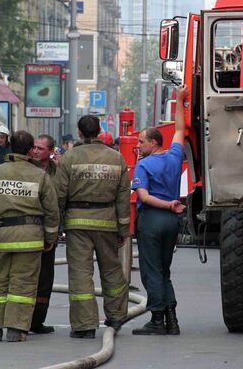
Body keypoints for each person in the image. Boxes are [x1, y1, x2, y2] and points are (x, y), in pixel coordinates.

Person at [0, 130, 59, 342]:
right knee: (23, 284)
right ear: (30, 150)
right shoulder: (40, 175)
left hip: (1, 236)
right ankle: (16, 329)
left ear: (10, 146)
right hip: (30, 238)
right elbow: (52, 211)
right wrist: (50, 238)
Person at [56, 115, 131, 339]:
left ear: (79, 132)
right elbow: (123, 198)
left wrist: (56, 225)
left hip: (77, 223)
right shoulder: (116, 158)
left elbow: (59, 194)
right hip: (107, 222)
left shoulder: (69, 158)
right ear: (99, 131)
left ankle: (84, 325)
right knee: (112, 271)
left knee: (80, 274)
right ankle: (116, 316)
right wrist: (123, 230)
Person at [131, 85, 188, 335]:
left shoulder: (143, 166)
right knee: (164, 270)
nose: (138, 145)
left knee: (151, 271)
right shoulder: (174, 156)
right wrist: (180, 99)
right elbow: (180, 129)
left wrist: (167, 204)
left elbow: (142, 196)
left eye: (141, 141)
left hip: (153, 220)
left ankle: (157, 320)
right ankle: (172, 320)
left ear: (153, 142)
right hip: (171, 222)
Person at [27, 134, 59, 334]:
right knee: (26, 277)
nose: (36, 151)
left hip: (49, 230)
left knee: (45, 279)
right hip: (29, 229)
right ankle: (22, 319)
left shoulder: (58, 171)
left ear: (51, 151)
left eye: (41, 148)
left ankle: (37, 321)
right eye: (34, 147)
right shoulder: (26, 169)